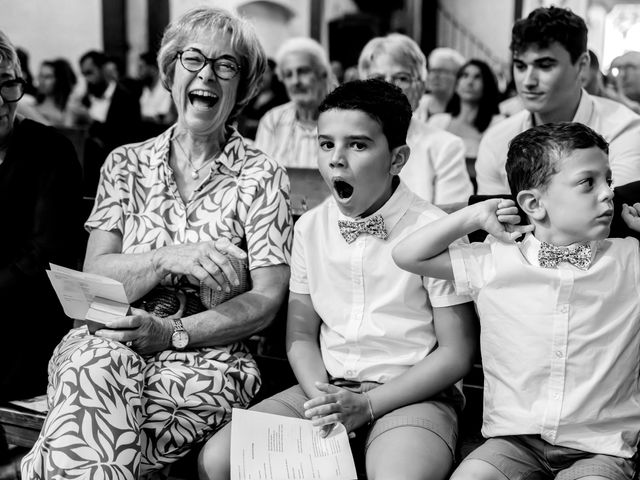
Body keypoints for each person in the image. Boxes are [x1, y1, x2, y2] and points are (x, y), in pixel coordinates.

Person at [21, 6, 292, 479]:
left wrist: (171, 333)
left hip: (205, 360)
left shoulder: (261, 175)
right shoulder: (125, 165)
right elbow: (94, 277)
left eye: (225, 65)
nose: (207, 74)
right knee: (97, 363)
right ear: (171, 72)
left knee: (84, 411)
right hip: (108, 340)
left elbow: (267, 299)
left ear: (242, 86)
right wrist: (168, 258)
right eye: (193, 59)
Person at [199, 78, 477, 480]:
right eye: (326, 144)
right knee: (219, 460)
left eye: (358, 145)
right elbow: (299, 334)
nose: (337, 159)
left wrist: (367, 405)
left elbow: (457, 352)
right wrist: (327, 400)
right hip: (326, 385)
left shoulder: (435, 229)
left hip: (413, 394)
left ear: (397, 159)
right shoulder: (310, 228)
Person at [393, 122, 640, 480]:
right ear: (534, 204)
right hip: (514, 442)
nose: (608, 195)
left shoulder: (630, 258)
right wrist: (474, 215)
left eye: (609, 181)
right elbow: (407, 255)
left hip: (599, 447)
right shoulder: (496, 259)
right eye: (589, 183)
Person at [0, 28, 82, 474]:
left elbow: (45, 256)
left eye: (7, 84)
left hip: (26, 323)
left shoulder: (49, 150)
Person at [475, 6, 640, 195]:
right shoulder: (497, 140)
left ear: (581, 65)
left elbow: (610, 210)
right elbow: (494, 218)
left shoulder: (623, 130)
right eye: (520, 66)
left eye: (545, 66)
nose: (528, 81)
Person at [358, 33, 473, 206]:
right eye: (378, 78)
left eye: (402, 78)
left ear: (420, 88)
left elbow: (455, 224)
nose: (389, 86)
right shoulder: (339, 143)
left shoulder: (444, 148)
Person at [68, 49, 142, 194]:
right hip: (88, 171)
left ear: (103, 69)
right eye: (84, 75)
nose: (87, 80)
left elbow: (124, 139)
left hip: (118, 173)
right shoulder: (87, 99)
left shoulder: (126, 98)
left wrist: (91, 121)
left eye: (90, 73)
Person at [254, 37, 334, 168]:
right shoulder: (272, 121)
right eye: (288, 75)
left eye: (303, 71)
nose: (296, 81)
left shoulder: (343, 120)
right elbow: (259, 176)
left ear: (322, 73)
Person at [428, 59, 504, 183]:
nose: (469, 82)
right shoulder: (437, 121)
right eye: (465, 75)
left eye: (477, 77)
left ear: (487, 84)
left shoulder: (497, 124)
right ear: (457, 84)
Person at [236, 58, 287, 140]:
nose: (262, 76)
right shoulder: (252, 95)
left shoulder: (281, 99)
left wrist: (255, 124)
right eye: (260, 72)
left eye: (266, 72)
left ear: (274, 74)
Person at [414, 47, 465, 122]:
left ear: (457, 77)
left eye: (442, 71)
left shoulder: (462, 111)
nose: (435, 76)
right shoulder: (416, 103)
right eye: (433, 70)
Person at [138, 51, 175, 131]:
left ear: (152, 69)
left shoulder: (168, 89)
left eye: (141, 67)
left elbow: (167, 120)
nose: (139, 73)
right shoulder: (142, 89)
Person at [33, 58, 77, 126]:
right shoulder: (31, 107)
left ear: (58, 80)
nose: (42, 80)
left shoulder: (70, 110)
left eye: (48, 77)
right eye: (40, 76)